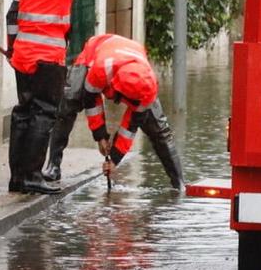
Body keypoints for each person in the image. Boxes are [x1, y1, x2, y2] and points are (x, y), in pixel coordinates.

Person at [5, 0, 106, 193]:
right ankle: (33, 177)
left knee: (22, 113)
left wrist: (11, 47)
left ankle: (18, 179)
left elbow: (12, 16)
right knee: (44, 114)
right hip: (48, 57)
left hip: (23, 55)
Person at [45, 31, 184, 188]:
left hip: (130, 63)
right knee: (69, 102)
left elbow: (130, 127)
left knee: (159, 129)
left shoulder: (148, 87)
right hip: (94, 53)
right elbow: (92, 101)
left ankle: (179, 184)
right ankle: (53, 166)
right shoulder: (101, 69)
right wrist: (100, 136)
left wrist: (115, 159)